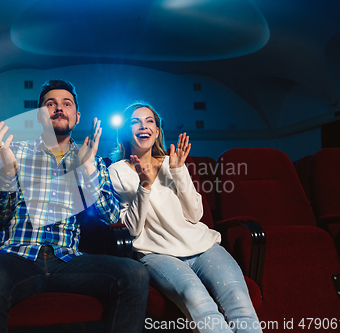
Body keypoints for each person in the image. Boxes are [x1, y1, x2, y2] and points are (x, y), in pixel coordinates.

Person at [0, 80, 149, 333]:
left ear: (77, 115)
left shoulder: (92, 159)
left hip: (68, 260)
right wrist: (7, 172)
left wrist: (88, 171)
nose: (59, 109)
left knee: (134, 274)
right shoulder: (13, 152)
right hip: (15, 256)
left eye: (66, 104)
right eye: (50, 104)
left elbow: (110, 217)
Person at [108, 102, 262, 333]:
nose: (143, 126)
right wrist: (145, 186)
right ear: (126, 131)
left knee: (240, 302)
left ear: (157, 131)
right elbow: (132, 231)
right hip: (157, 253)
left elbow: (195, 214)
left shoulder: (174, 162)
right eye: (135, 121)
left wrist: (179, 171)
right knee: (200, 303)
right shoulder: (116, 171)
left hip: (202, 246)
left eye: (150, 121)